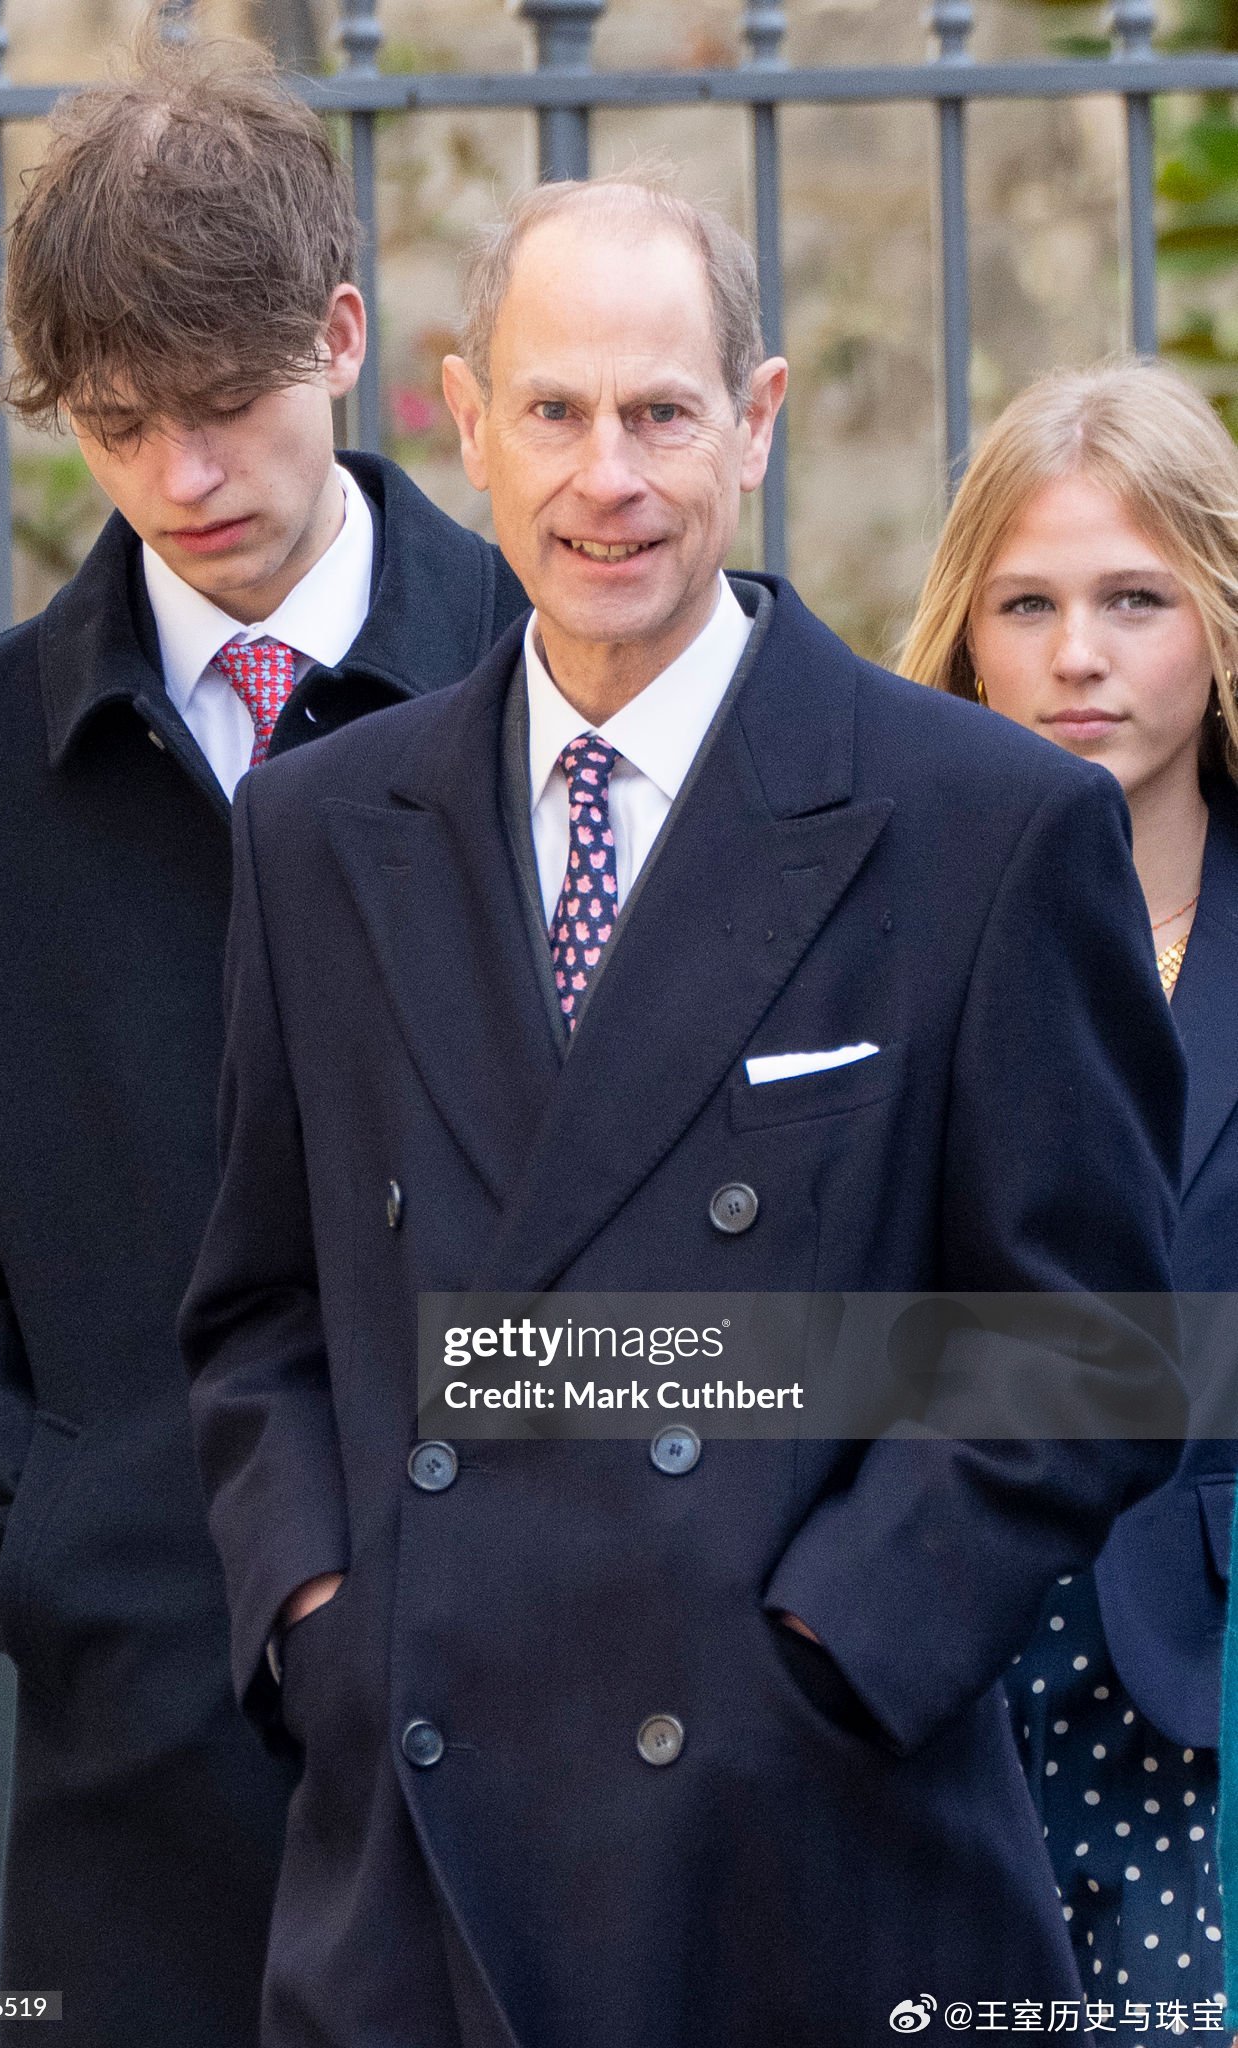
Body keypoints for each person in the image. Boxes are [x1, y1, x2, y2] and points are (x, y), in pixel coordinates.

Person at [181, 178, 1187, 2048]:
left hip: (809, 1862)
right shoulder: (318, 832)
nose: (607, 478)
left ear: (756, 418)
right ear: (464, 422)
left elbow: (1086, 1341)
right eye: (553, 412)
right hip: (415, 1861)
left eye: (660, 413)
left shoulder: (981, 824)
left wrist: (827, 1650)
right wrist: (322, 1615)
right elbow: (258, 1312)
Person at [0, 31, 526, 2048]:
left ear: (341, 333)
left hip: (574, 1741)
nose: (180, 481)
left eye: (226, 407)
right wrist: (80, 1558)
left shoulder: (569, 690)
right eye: (115, 425)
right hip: (142, 1781)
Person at [901, 356, 1238, 2017]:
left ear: (1218, 621)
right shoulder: (873, 925)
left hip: (1207, 1691)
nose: (1076, 654)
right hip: (933, 1674)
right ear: (966, 632)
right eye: (1025, 602)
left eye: (1133, 599)